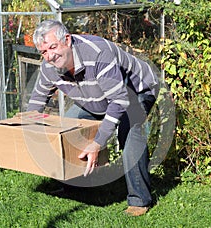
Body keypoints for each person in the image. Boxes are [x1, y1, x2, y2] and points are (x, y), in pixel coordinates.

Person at [27, 19, 160, 216]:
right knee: (70, 128)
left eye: (53, 47)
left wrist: (97, 143)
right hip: (99, 97)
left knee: (129, 131)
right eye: (44, 52)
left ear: (67, 40)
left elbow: (119, 101)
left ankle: (139, 200)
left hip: (136, 90)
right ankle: (73, 186)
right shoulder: (49, 67)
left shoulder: (97, 53)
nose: (50, 56)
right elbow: (38, 100)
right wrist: (28, 128)